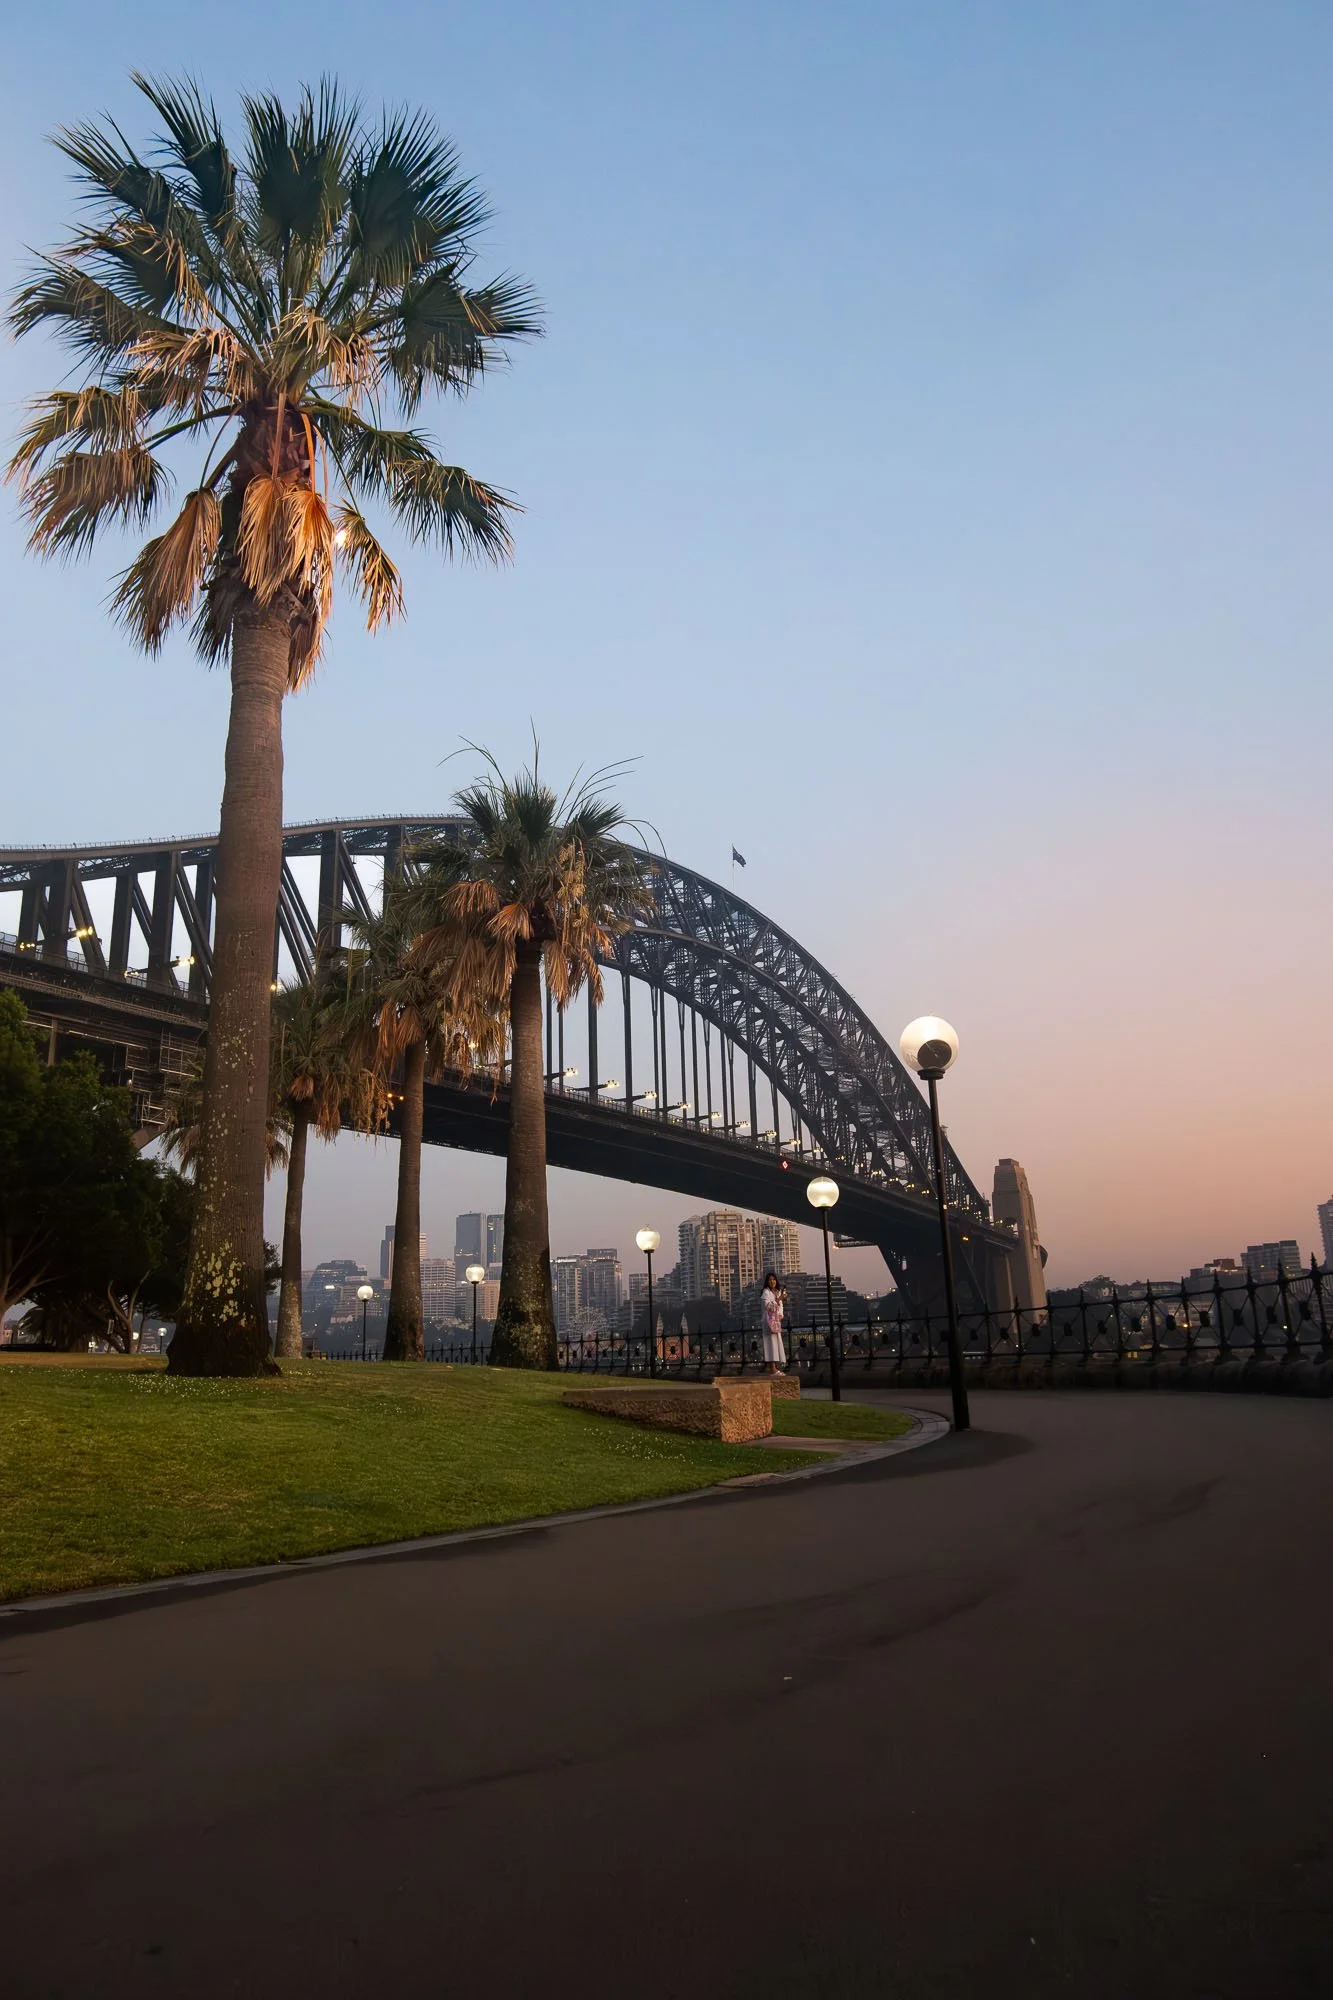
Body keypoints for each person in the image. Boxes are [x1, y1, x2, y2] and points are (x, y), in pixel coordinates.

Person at [760, 1271, 786, 1375]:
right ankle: (772, 1368)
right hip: (768, 1321)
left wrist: (780, 1315)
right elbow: (768, 1307)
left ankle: (776, 1366)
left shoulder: (778, 1291)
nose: (772, 1281)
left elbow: (780, 1307)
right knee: (770, 1343)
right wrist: (779, 1299)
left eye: (774, 1279)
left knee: (777, 1342)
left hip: (776, 1321)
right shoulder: (766, 1293)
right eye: (770, 1280)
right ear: (767, 1282)